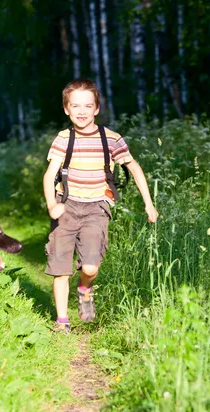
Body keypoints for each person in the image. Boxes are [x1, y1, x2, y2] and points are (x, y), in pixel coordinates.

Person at [43, 78, 158, 333]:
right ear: (66, 109)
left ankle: (85, 289)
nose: (81, 111)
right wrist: (52, 204)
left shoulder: (111, 139)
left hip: (97, 207)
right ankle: (62, 321)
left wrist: (149, 204)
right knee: (61, 267)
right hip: (66, 205)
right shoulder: (63, 138)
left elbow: (134, 168)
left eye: (87, 106)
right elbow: (49, 175)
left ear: (96, 109)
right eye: (75, 106)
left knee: (91, 267)